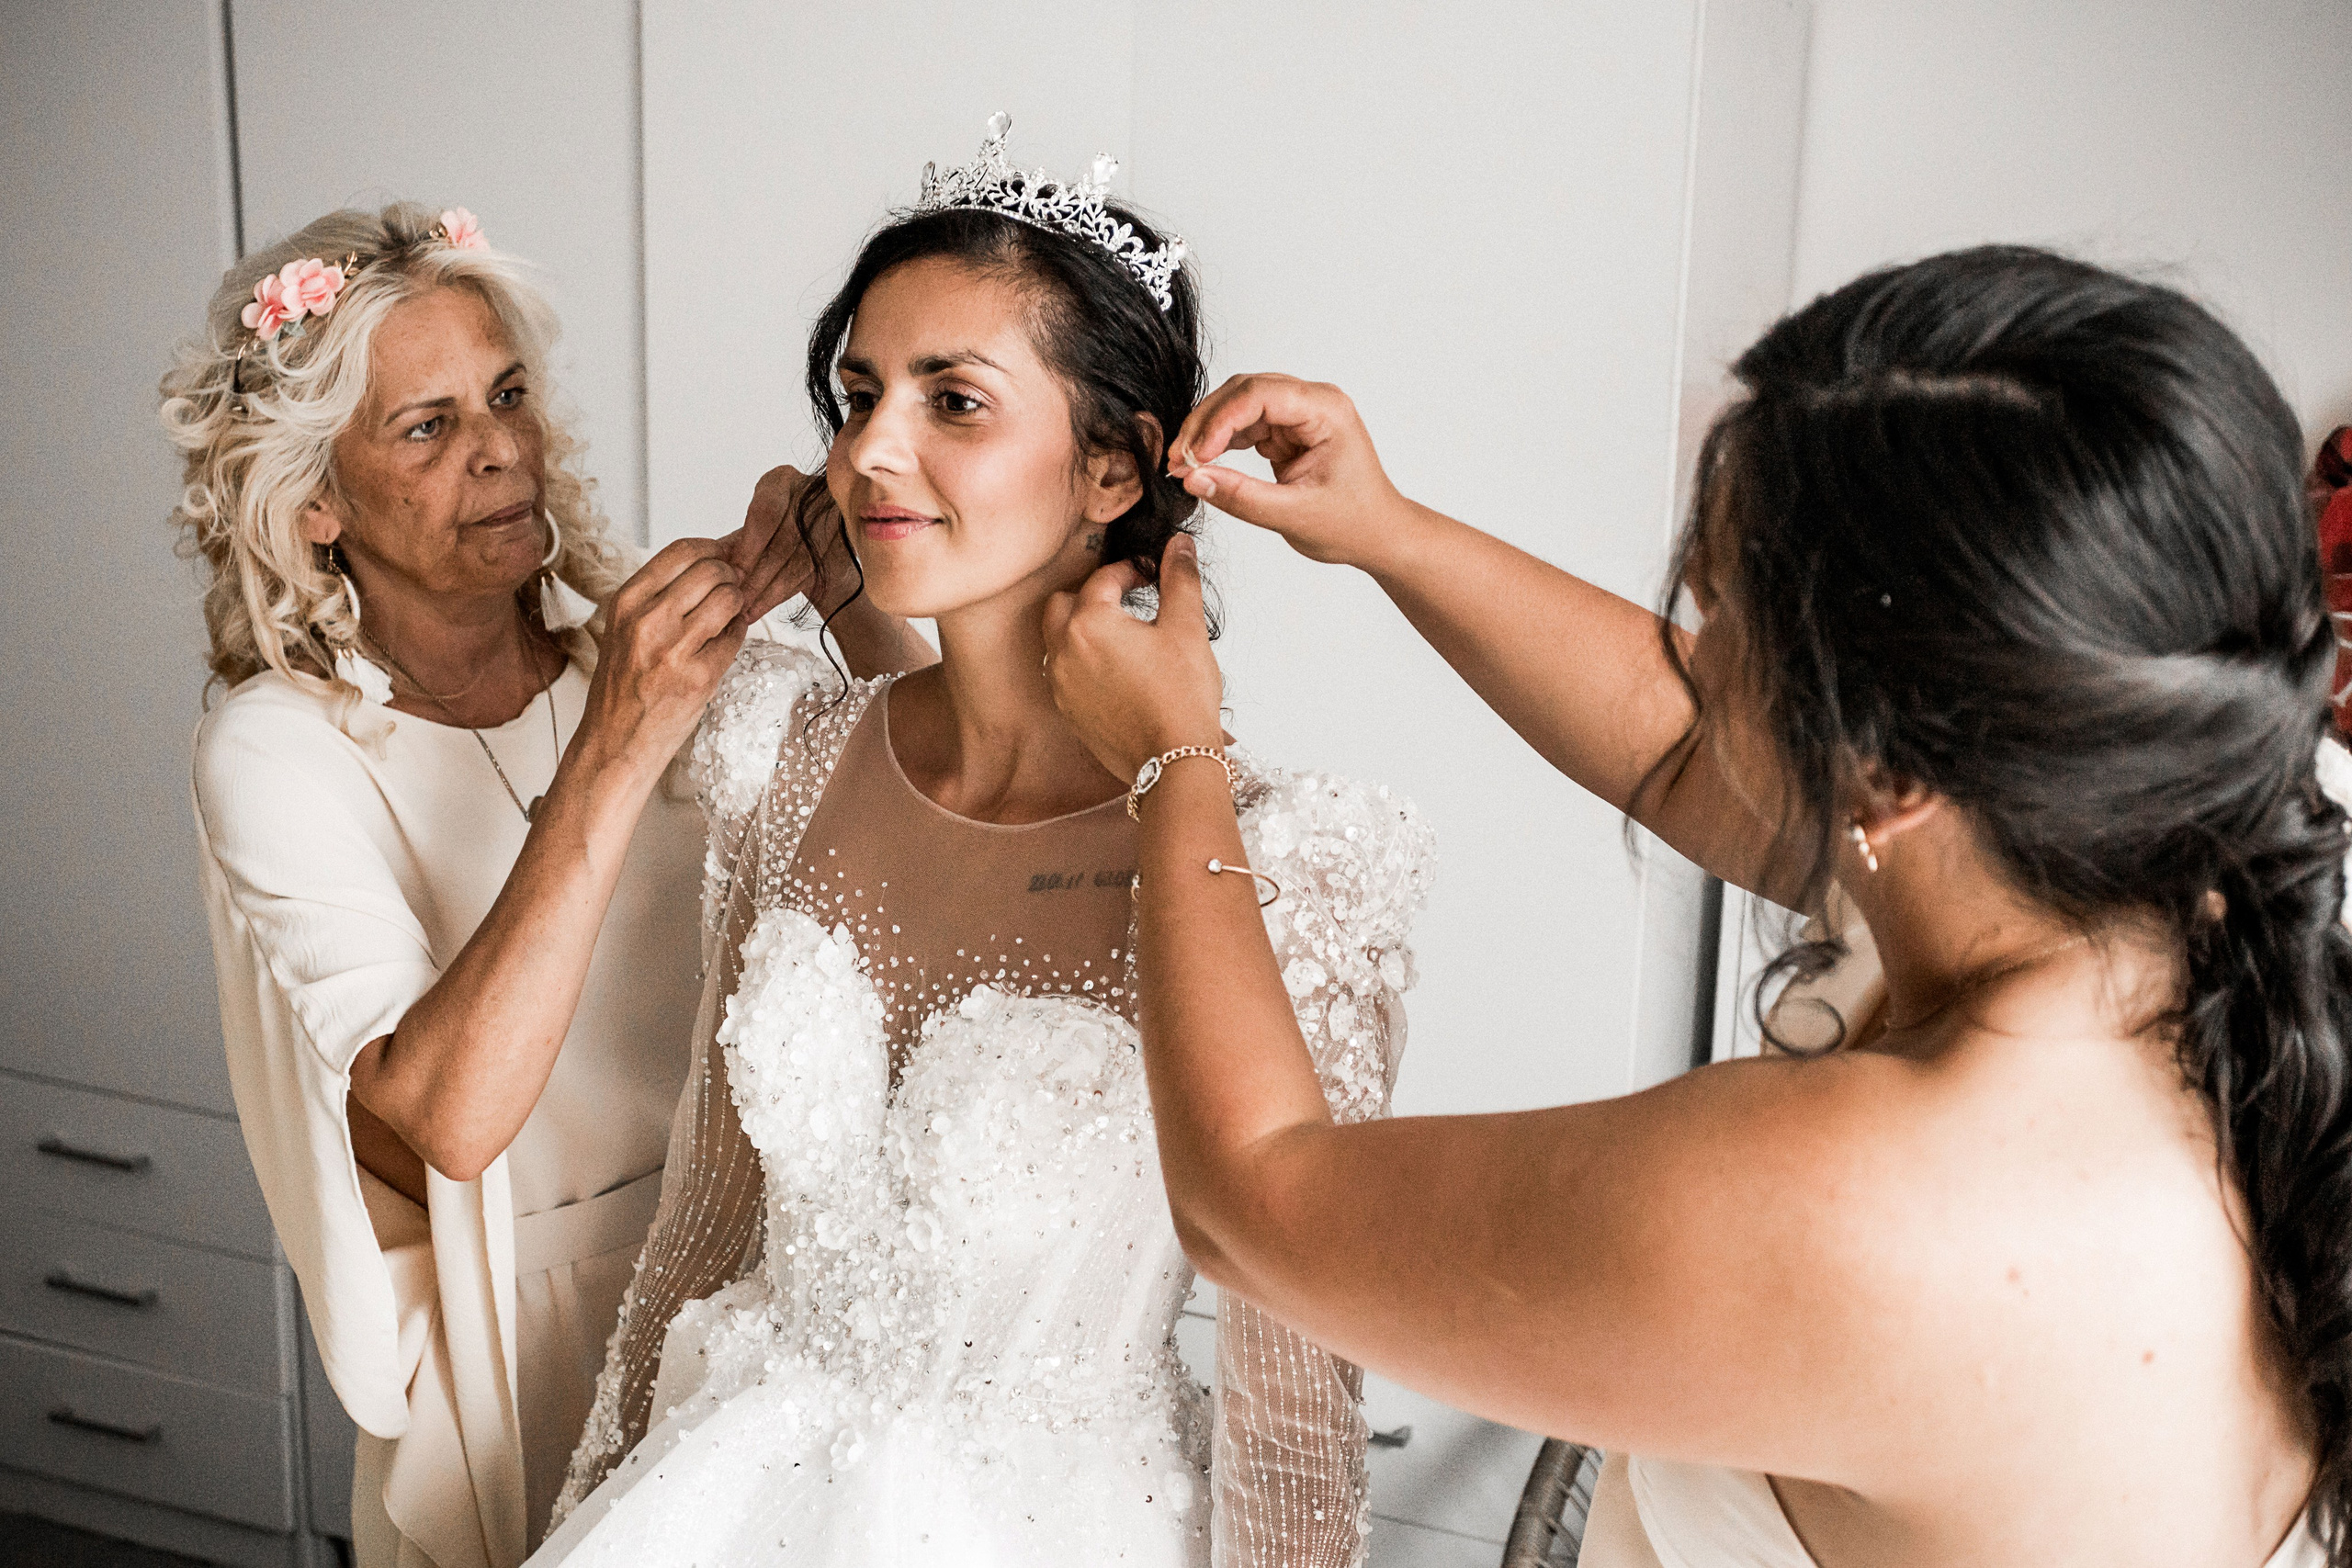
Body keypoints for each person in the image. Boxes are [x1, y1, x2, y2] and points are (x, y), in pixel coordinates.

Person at [1044, 247, 2347, 1566]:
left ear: (1886, 772)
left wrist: (1172, 760)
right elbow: (1698, 757)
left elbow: (1256, 1208)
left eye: (1719, 611)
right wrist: (1390, 530)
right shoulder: (2179, 877)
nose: (1690, 651)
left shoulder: (1865, 1210)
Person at [534, 118, 1429, 1568]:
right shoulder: (793, 759)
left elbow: (1292, 1406)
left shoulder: (1283, 864)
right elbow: (702, 1228)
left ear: (1115, 469)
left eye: (955, 400)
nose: (868, 452)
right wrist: (590, 1510)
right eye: (858, 393)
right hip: (726, 1485)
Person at [165, 201, 927, 1566]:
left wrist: (848, 595)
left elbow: (950, 812)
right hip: (520, 1337)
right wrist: (619, 741)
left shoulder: (625, 649)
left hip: (764, 1280)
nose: (503, 447)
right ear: (315, 498)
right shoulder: (281, 751)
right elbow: (449, 1119)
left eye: (507, 394)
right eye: (429, 425)